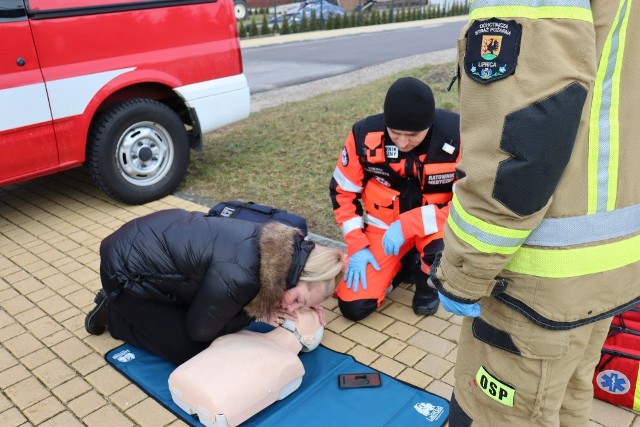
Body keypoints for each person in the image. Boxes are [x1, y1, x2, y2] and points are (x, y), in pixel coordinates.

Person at [429, 2, 640, 425]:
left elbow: (519, 149)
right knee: (567, 405)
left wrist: (462, 274)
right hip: (609, 270)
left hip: (533, 288)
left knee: (495, 413)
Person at [84, 208, 344, 365]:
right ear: (298, 274)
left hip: (152, 245)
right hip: (125, 272)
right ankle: (116, 315)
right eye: (298, 300)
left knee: (217, 312)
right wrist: (257, 312)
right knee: (193, 351)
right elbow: (200, 331)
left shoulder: (284, 246)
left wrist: (308, 302)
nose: (291, 308)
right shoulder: (244, 276)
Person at [329, 77, 460, 321]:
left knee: (439, 258)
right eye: (395, 133)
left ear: (429, 125)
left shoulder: (457, 135)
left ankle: (426, 286)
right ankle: (401, 266)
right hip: (383, 227)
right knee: (353, 307)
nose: (402, 143)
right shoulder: (363, 135)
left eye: (412, 135)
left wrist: (410, 224)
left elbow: (470, 203)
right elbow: (342, 193)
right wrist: (357, 245)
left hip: (435, 228)